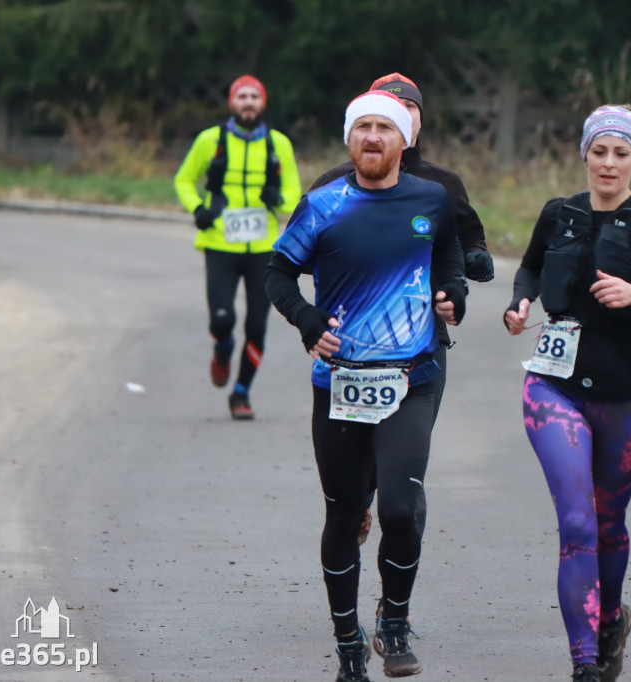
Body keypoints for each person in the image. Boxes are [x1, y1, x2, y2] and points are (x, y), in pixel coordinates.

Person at [265, 90, 466, 682]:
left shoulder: (432, 198)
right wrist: (306, 323)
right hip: (340, 383)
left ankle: (395, 624)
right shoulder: (323, 205)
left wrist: (454, 294)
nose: (372, 137)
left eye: (385, 127)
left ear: (405, 139)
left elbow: (448, 249)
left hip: (412, 377)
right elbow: (279, 270)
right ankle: (348, 643)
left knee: (401, 510)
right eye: (362, 128)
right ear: (349, 138)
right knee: (344, 512)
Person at [503, 105, 631, 682]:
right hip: (553, 390)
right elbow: (530, 272)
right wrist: (519, 305)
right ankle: (584, 663)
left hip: (629, 400)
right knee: (578, 523)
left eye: (621, 153)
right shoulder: (558, 213)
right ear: (584, 155)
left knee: (609, 521)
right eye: (599, 152)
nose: (608, 164)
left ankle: (610, 620)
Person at [311, 72, 494, 545]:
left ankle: (393, 597)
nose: (399, 117)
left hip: (424, 340)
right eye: (388, 108)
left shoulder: (441, 185)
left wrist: (469, 269)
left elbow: (465, 238)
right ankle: (359, 500)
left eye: (409, 108)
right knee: (357, 460)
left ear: (418, 120)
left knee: (404, 464)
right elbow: (305, 246)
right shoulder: (335, 183)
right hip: (353, 343)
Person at [174, 74, 302, 420]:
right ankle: (222, 348)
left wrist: (278, 199)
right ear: (232, 103)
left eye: (254, 97)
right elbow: (183, 179)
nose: (248, 102)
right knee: (222, 318)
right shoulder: (209, 140)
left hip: (264, 248)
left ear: (263, 104)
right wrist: (197, 208)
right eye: (242, 96)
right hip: (220, 242)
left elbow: (293, 192)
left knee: (257, 325)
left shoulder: (279, 145)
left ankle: (241, 393)